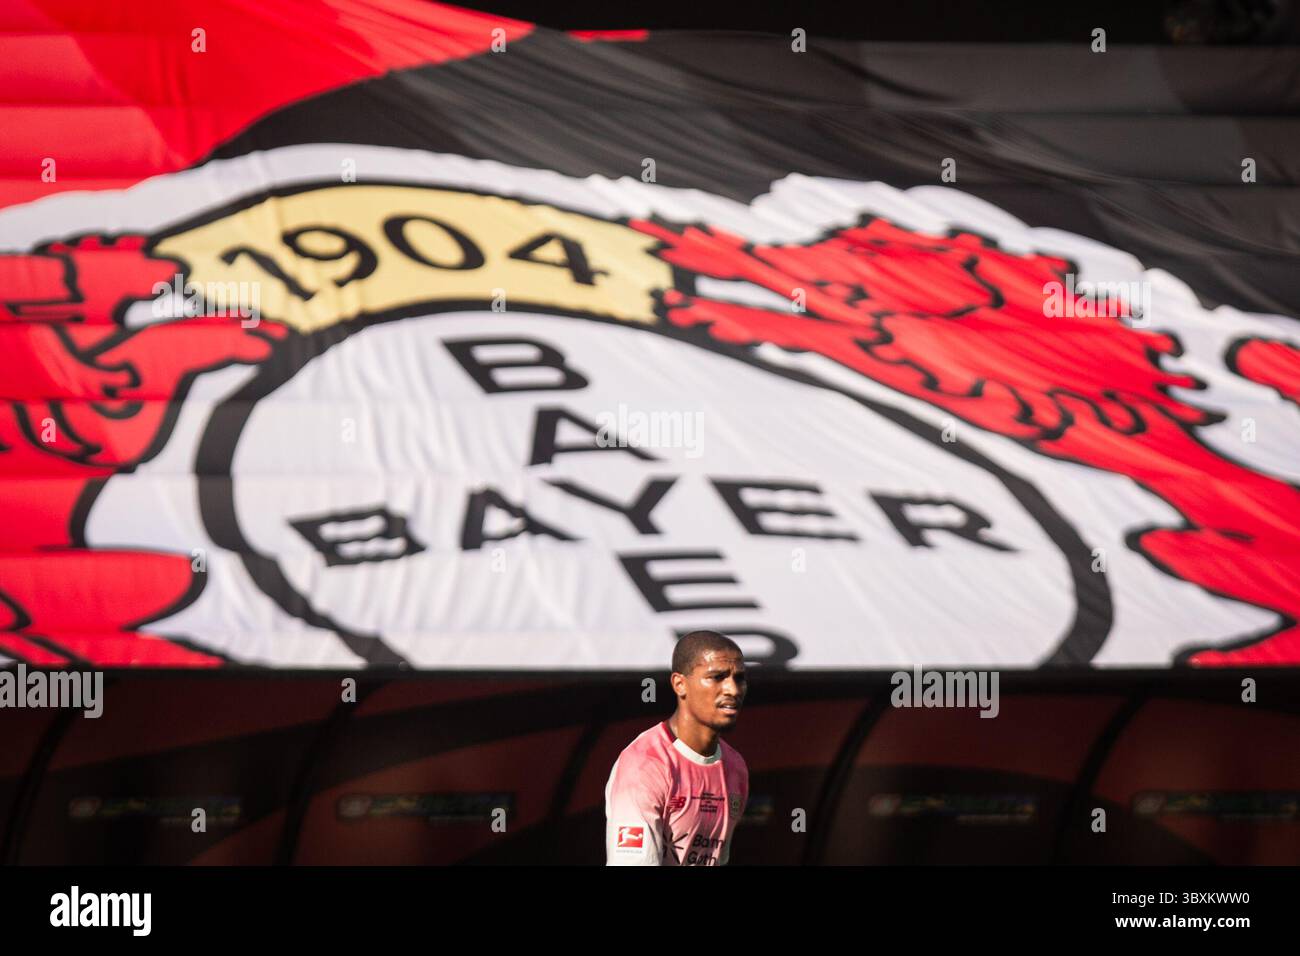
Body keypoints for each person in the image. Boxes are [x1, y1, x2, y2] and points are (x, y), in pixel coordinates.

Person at [604, 630, 749, 865]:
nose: (732, 689)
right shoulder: (644, 764)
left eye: (739, 678)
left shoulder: (735, 767)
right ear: (680, 684)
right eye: (717, 677)